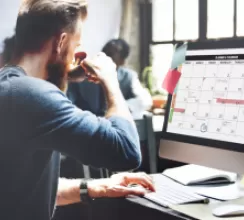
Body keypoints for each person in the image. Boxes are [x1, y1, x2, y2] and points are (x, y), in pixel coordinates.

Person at [0, 0, 155, 220]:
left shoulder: (12, 87)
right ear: (61, 42)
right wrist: (110, 80)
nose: (76, 55)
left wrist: (97, 187)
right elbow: (127, 151)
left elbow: (27, 190)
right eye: (76, 45)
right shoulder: (31, 94)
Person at [67, 39, 152, 119]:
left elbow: (145, 100)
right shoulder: (82, 75)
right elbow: (68, 102)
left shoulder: (128, 76)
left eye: (111, 55)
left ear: (122, 61)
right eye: (104, 52)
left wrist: (120, 108)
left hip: (115, 122)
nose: (105, 57)